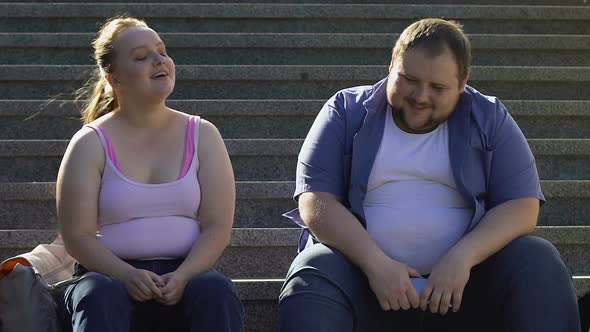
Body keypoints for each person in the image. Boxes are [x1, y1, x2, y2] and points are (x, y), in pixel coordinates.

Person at [279, 18, 580, 332]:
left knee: (538, 259)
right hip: (364, 282)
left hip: (464, 287)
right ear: (391, 66)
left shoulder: (489, 117)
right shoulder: (344, 111)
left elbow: (522, 205)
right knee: (312, 267)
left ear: (462, 84)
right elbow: (316, 201)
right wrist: (376, 265)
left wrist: (462, 258)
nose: (420, 96)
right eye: (409, 79)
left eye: (437, 88)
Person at [56, 16, 244, 332]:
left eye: (162, 51)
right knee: (99, 295)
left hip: (186, 273)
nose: (160, 60)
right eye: (141, 57)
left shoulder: (203, 134)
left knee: (216, 292)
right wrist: (126, 275)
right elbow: (77, 237)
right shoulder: (90, 142)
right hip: (107, 275)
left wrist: (183, 275)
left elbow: (217, 226)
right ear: (113, 79)